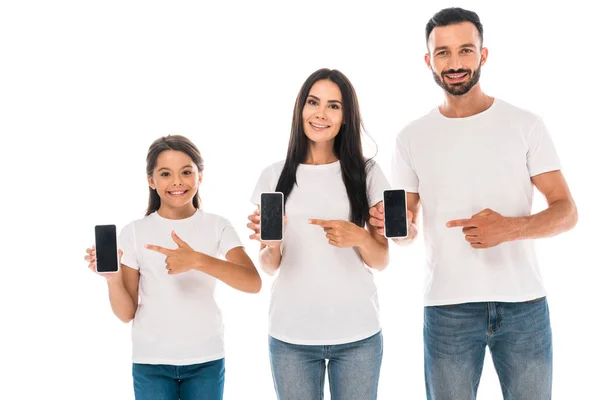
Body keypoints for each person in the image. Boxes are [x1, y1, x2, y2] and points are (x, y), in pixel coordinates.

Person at [369, 7, 578, 400]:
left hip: (524, 306)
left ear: (483, 55)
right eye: (443, 53)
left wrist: (511, 228)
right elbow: (407, 232)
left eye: (465, 50)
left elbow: (567, 210)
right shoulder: (412, 137)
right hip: (448, 309)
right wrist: (394, 228)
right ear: (428, 61)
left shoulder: (524, 124)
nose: (455, 63)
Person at [247, 68, 390, 400]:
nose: (321, 114)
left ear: (346, 117)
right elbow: (269, 266)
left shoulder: (367, 173)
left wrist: (359, 237)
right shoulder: (273, 175)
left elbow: (382, 259)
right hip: (291, 336)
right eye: (313, 102)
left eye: (333, 106)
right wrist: (274, 243)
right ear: (301, 109)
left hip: (358, 334)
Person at [84, 134, 261, 400]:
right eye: (165, 174)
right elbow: (126, 313)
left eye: (186, 172)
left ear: (200, 176)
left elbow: (252, 282)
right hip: (151, 362)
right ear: (151, 181)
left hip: (206, 359)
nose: (177, 181)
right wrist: (112, 278)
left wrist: (198, 260)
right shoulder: (135, 232)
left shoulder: (217, 226)